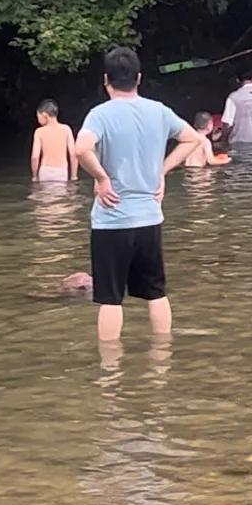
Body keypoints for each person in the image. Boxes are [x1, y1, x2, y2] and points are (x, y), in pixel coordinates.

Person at [74, 47, 203, 344]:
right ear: (139, 78)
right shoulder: (159, 111)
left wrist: (102, 178)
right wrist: (162, 170)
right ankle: (161, 360)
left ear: (106, 80)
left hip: (112, 220)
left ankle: (109, 372)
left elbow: (81, 149)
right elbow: (192, 139)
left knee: (110, 299)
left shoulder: (100, 115)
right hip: (149, 218)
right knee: (156, 293)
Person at [31, 99, 78, 181]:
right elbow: (73, 154)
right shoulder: (66, 129)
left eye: (38, 116)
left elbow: (35, 157)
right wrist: (74, 176)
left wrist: (34, 176)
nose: (38, 120)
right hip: (61, 170)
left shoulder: (39, 132)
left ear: (44, 115)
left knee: (45, 193)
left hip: (45, 171)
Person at [220, 70, 252, 144]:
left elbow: (227, 124)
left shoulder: (233, 97)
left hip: (236, 145)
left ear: (237, 80)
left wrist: (223, 142)